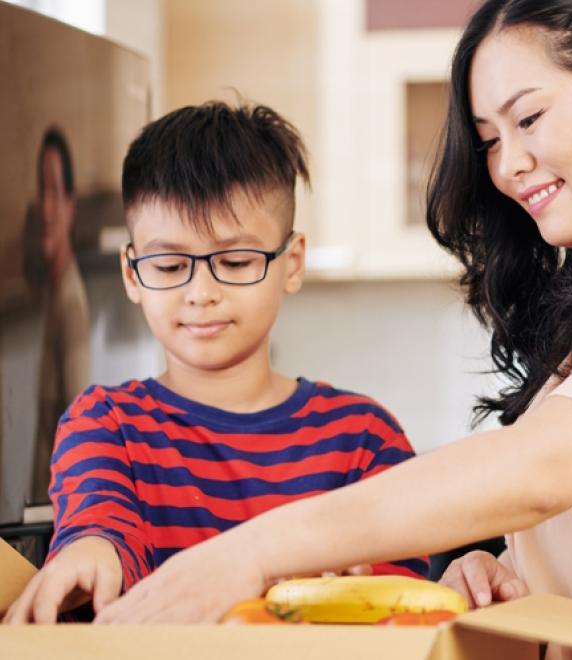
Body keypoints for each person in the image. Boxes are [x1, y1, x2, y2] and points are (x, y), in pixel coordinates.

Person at [95, 2, 572, 657]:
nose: (507, 165)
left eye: (529, 117)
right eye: (490, 139)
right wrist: (496, 565)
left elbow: (540, 469)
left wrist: (248, 552)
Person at [3, 102, 426, 624]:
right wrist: (91, 551)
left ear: (290, 263)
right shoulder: (105, 423)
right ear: (133, 275)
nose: (201, 293)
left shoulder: (362, 437)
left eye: (235, 262)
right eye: (170, 264)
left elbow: (399, 606)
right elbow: (102, 527)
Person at [30, 127, 91, 506]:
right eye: (42, 190)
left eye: (56, 191)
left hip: (55, 519)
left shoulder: (71, 306)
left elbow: (78, 428)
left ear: (70, 206)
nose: (47, 207)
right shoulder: (53, 295)